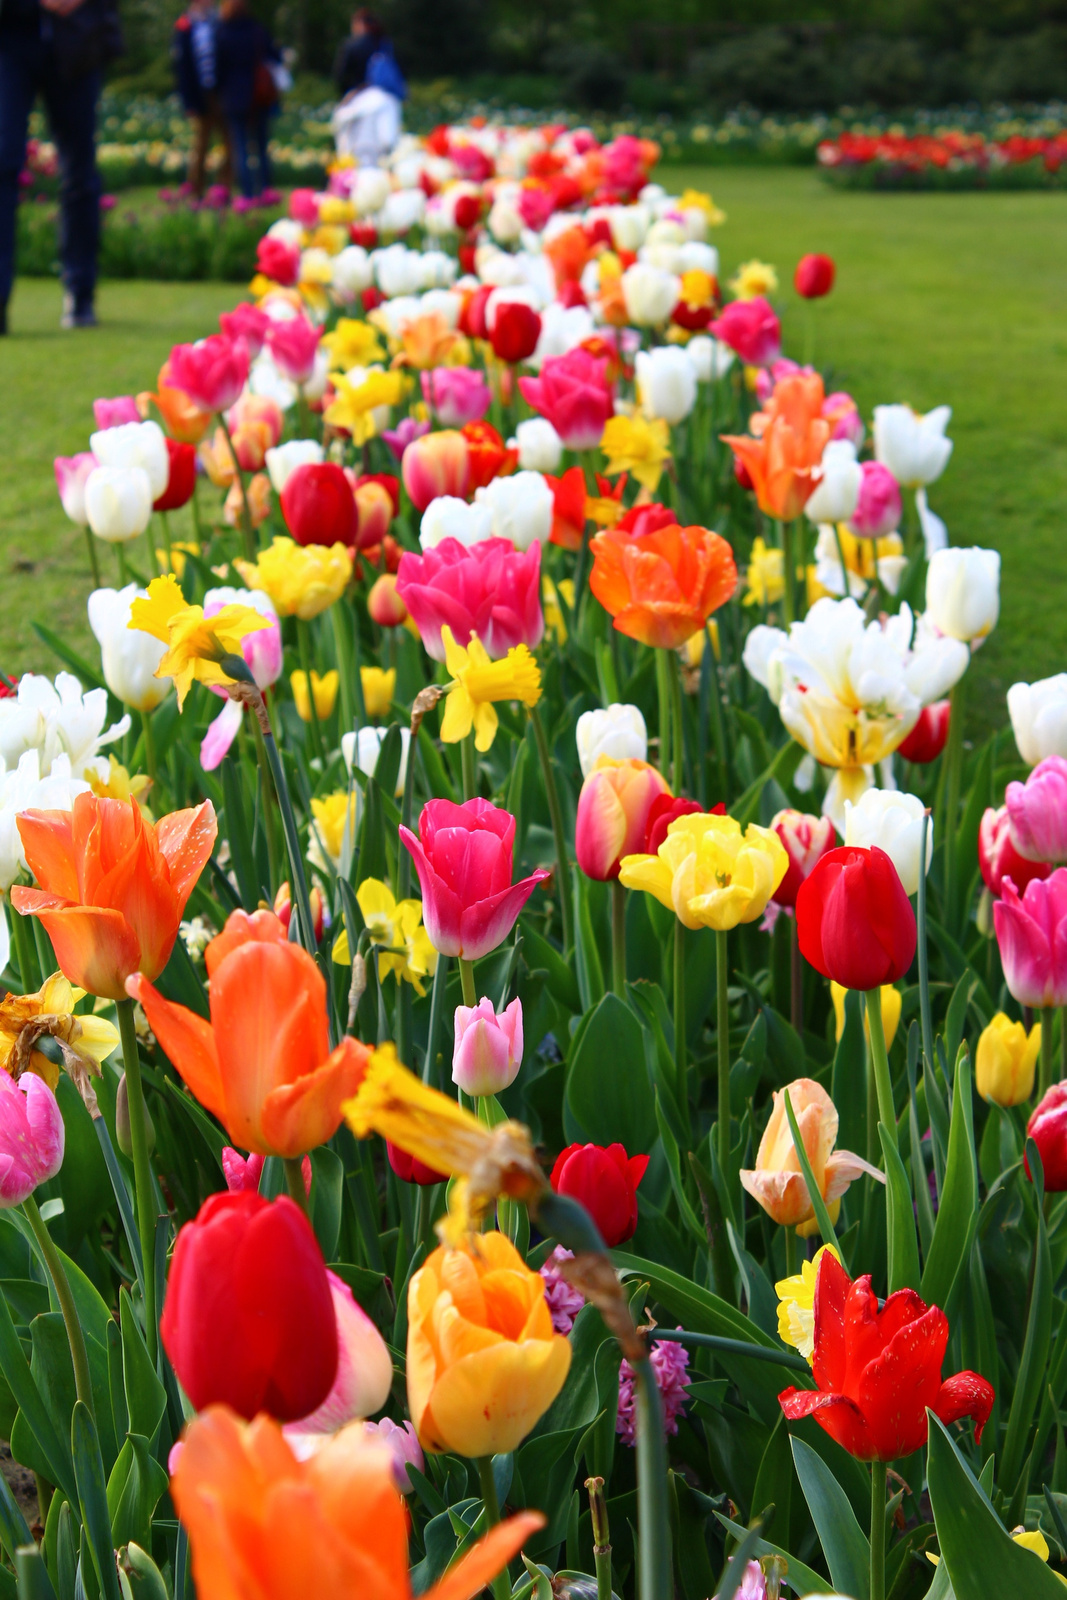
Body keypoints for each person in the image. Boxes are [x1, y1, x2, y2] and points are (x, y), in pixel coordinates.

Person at [0, 0, 121, 333]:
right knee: (3, 162)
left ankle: (80, 292)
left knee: (79, 170)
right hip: (11, 33)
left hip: (78, 34)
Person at [215, 0, 283, 200]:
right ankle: (266, 191)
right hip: (259, 94)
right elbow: (275, 56)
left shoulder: (222, 33)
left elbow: (218, 69)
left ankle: (248, 193)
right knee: (261, 146)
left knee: (241, 147)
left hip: (235, 97)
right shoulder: (257, 30)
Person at [173, 0, 233, 199]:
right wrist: (188, 101)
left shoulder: (219, 22)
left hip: (222, 93)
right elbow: (182, 68)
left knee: (229, 143)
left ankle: (223, 188)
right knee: (201, 144)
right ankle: (195, 190)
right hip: (200, 94)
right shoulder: (185, 25)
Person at [331, 8, 405, 167]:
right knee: (383, 151)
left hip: (357, 102)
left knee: (356, 151)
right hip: (386, 101)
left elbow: (340, 77)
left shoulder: (351, 45)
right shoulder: (385, 44)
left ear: (358, 24)